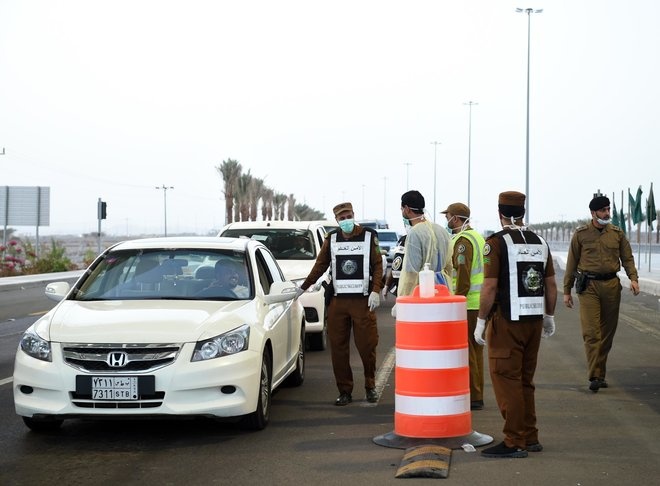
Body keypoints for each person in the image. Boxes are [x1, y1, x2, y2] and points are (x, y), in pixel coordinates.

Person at [475, 191, 557, 458]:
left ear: (500, 213)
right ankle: (530, 436)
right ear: (522, 213)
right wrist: (549, 316)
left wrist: (480, 321)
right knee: (525, 380)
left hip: (507, 321)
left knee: (506, 379)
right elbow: (550, 284)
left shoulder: (496, 243)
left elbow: (489, 286)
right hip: (534, 321)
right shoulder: (540, 242)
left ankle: (514, 441)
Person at [296, 202, 383, 406]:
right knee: (338, 348)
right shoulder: (332, 239)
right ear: (337, 220)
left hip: (362, 301)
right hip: (338, 301)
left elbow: (378, 265)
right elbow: (320, 266)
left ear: (354, 214)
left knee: (367, 345)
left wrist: (376, 291)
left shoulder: (369, 236)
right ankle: (344, 391)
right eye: (341, 218)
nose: (346, 221)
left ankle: (370, 386)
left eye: (348, 216)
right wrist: (303, 287)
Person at [563, 194, 640, 392]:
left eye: (608, 209)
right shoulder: (580, 234)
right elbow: (571, 264)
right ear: (593, 213)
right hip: (589, 287)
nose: (607, 213)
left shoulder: (617, 233)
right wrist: (567, 291)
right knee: (591, 333)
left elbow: (627, 258)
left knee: (607, 333)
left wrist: (633, 278)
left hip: (612, 287)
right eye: (603, 210)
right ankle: (594, 375)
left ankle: (600, 372)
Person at [442, 202, 487, 411]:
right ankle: (477, 393)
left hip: (468, 303)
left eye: (448, 216)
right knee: (476, 350)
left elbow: (463, 276)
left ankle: (473, 395)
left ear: (456, 218)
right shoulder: (477, 237)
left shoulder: (463, 241)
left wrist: (456, 301)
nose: (447, 220)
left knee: (468, 350)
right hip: (478, 303)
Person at [397, 190, 452, 299]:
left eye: (402, 209)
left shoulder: (414, 233)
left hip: (422, 293)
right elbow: (449, 266)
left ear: (407, 209)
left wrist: (403, 299)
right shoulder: (441, 231)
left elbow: (411, 272)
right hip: (443, 290)